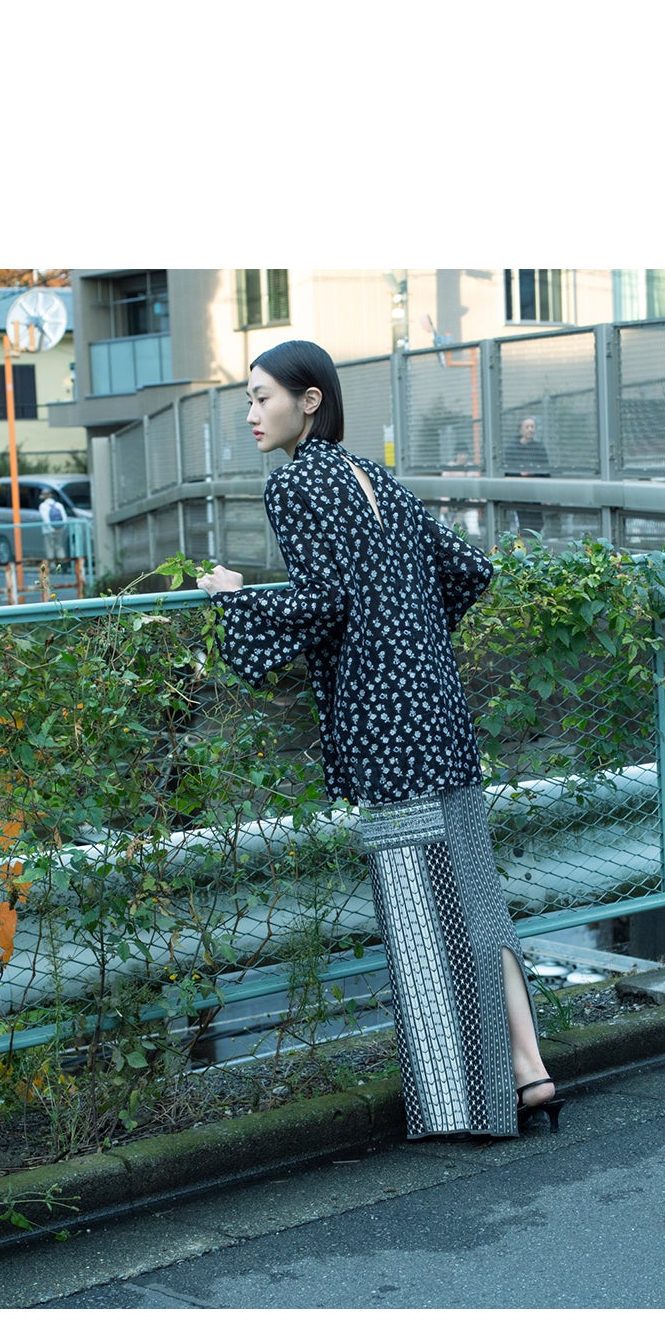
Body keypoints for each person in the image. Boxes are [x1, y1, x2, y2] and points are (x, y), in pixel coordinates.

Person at [196, 340, 560, 1139]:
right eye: (248, 403)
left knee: (419, 914)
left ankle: (463, 1107)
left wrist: (234, 600)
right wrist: (407, 634)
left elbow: (322, 600)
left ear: (309, 400)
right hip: (437, 710)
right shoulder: (374, 475)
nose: (252, 415)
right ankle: (530, 1073)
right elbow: (467, 569)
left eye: (262, 398)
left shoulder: (294, 483)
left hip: (380, 731)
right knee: (474, 898)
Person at [503, 414, 549, 532]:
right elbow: (506, 471)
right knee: (522, 526)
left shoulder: (539, 448)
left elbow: (546, 470)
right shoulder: (511, 449)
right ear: (520, 429)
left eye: (532, 427)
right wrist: (519, 474)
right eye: (527, 427)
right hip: (518, 494)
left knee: (537, 525)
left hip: (535, 493)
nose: (530, 429)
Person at [38, 489, 67, 567]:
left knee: (49, 547)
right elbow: (64, 518)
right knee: (59, 546)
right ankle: (62, 564)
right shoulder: (59, 505)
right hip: (60, 529)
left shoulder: (43, 506)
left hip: (48, 531)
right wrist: (61, 528)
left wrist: (51, 529)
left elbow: (45, 519)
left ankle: (52, 565)